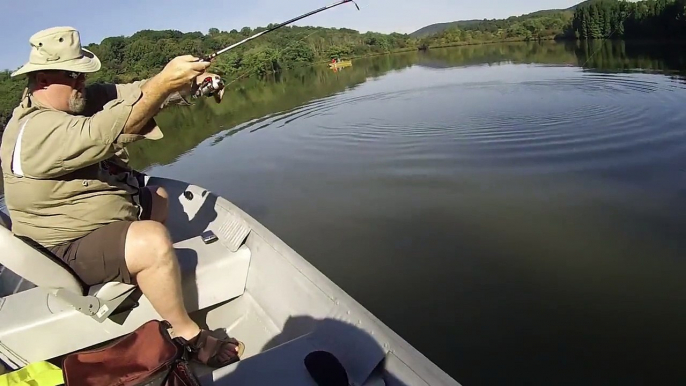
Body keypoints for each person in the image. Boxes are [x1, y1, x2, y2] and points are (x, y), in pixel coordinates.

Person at [0, 26, 243, 368]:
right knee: (153, 240)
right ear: (41, 79)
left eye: (82, 74)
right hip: (64, 245)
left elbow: (133, 94)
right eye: (72, 75)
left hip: (96, 217)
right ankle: (189, 335)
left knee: (158, 197)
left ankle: (151, 275)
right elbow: (104, 132)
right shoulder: (35, 131)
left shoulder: (75, 101)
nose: (81, 81)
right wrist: (163, 84)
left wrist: (186, 85)